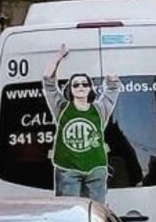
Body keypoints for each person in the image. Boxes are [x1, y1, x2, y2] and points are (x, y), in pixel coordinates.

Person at [42, 44, 121, 203]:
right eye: (76, 84)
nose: (80, 87)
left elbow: (112, 88)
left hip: (95, 168)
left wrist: (108, 66)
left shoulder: (99, 109)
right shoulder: (62, 107)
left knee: (96, 213)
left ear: (90, 88)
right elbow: (49, 84)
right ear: (70, 89)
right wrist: (57, 58)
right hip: (68, 169)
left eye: (84, 84)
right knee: (70, 213)